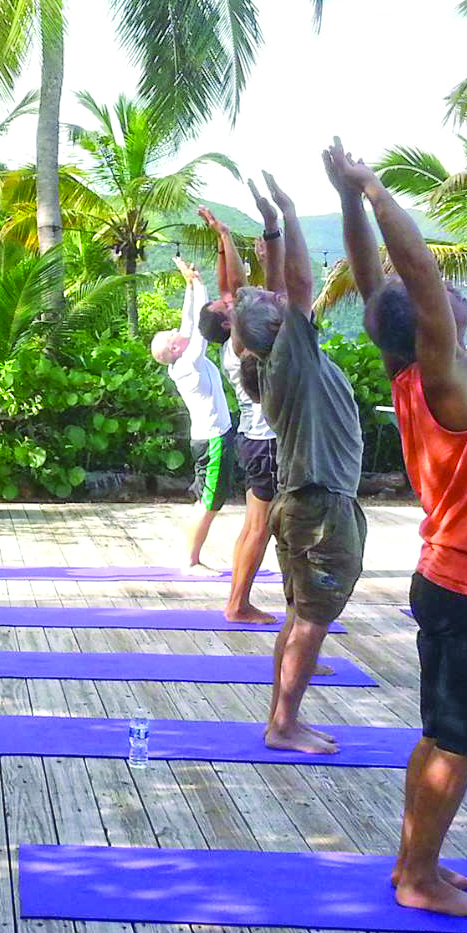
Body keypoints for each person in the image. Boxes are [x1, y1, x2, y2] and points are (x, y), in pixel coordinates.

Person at [329, 137, 467, 919]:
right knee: (458, 740)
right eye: (434, 295)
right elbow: (410, 277)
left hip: (461, 579)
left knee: (441, 734)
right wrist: (375, 189)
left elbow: (373, 283)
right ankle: (419, 878)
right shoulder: (444, 379)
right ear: (425, 328)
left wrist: (350, 204)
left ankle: (415, 865)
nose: (445, 287)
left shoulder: (427, 372)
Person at [227, 173, 365, 755]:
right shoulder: (292, 359)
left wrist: (272, 230)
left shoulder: (278, 360)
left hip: (308, 502)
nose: (281, 295)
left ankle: (282, 719)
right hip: (320, 507)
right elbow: (300, 284)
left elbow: (280, 289)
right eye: (277, 304)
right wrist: (287, 207)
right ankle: (283, 724)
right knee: (311, 619)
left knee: (298, 612)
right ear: (280, 330)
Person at [201, 205, 279, 626]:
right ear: (228, 322)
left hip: (256, 440)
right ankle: (238, 603)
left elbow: (229, 288)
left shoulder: (234, 341)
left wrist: (222, 240)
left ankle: (238, 600)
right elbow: (235, 288)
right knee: (259, 527)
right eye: (225, 306)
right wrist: (226, 237)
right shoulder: (238, 345)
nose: (228, 301)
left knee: (255, 525)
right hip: (265, 443)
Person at [151, 259, 238, 576]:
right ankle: (191, 560)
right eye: (172, 335)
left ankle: (190, 556)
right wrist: (199, 285)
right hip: (213, 440)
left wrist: (189, 283)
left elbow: (188, 322)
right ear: (174, 349)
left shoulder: (181, 358)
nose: (178, 330)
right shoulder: (188, 363)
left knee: (207, 500)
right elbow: (199, 329)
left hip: (212, 437)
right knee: (210, 503)